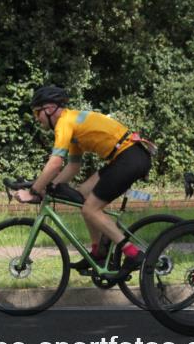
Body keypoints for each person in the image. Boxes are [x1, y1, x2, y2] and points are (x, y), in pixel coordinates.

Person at [15, 85, 153, 274]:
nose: (36, 118)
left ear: (48, 109)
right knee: (82, 195)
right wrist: (49, 186)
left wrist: (34, 191)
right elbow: (73, 166)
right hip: (126, 156)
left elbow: (55, 163)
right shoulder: (72, 125)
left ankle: (133, 254)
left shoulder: (64, 123)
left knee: (90, 209)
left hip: (129, 157)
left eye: (36, 113)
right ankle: (98, 251)